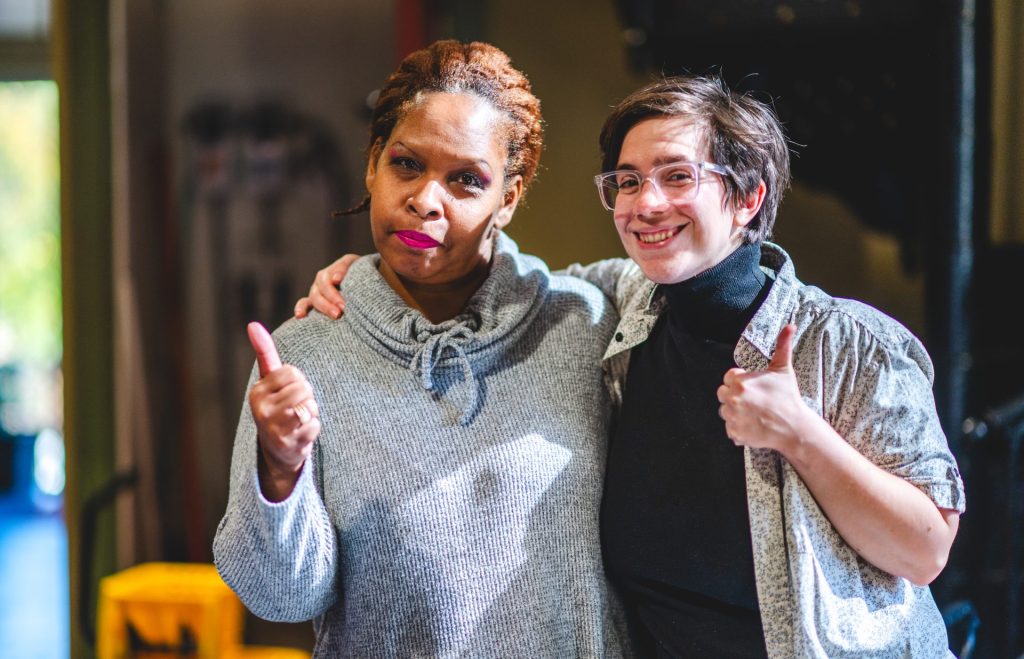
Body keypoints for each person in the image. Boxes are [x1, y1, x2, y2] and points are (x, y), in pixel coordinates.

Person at [298, 74, 965, 657]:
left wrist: (799, 432)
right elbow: (502, 285)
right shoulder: (623, 305)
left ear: (747, 198)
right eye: (627, 181)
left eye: (677, 176)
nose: (645, 204)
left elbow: (926, 549)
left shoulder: (848, 343)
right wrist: (378, 280)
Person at [213, 40, 630, 658]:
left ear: (508, 199)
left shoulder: (584, 324)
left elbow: (687, 273)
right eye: (407, 164)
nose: (426, 200)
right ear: (373, 165)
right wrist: (279, 471)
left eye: (466, 180)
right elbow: (281, 599)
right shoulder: (302, 355)